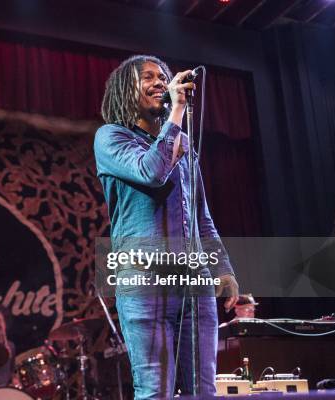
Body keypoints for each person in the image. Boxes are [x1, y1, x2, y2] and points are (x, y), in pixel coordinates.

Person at [94, 55, 239, 399]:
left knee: (202, 391)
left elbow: (201, 216)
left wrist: (223, 269)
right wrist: (177, 112)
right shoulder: (111, 138)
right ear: (126, 89)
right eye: (149, 77)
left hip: (194, 280)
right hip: (144, 280)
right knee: (154, 390)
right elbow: (151, 171)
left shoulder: (184, 148)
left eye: (164, 77)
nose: (160, 82)